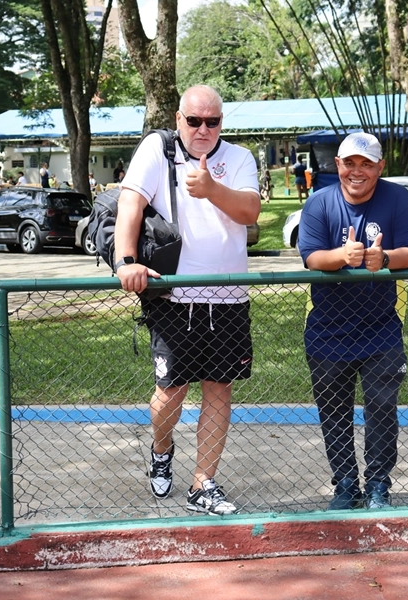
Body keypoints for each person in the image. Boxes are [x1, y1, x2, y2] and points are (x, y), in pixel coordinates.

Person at [113, 84, 260, 516]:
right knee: (170, 392)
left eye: (212, 122)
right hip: (174, 295)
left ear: (221, 123)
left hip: (229, 297)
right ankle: (161, 449)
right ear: (179, 119)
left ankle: (203, 484)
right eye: (194, 121)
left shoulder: (239, 158)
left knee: (219, 388)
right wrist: (125, 261)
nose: (202, 129)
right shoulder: (157, 151)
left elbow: (250, 212)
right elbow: (130, 205)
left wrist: (212, 188)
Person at [296, 132, 408, 511]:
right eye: (349, 163)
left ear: (380, 167)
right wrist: (343, 256)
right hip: (327, 328)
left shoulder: (397, 198)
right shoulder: (319, 202)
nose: (357, 171)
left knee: (382, 409)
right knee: (333, 412)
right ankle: (347, 486)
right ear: (337, 165)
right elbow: (311, 257)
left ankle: (378, 486)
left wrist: (383, 259)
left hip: (382, 326)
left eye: (366, 164)